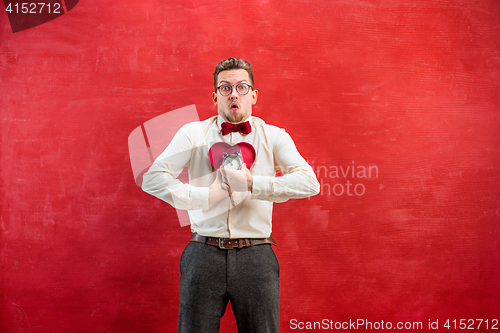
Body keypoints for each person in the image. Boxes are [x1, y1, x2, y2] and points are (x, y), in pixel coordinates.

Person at [142, 57, 320, 333]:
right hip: (202, 254)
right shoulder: (192, 134)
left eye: (242, 87)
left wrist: (253, 183)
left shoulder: (274, 137)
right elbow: (152, 178)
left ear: (254, 95)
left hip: (257, 256)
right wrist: (205, 196)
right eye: (225, 88)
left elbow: (309, 183)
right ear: (215, 96)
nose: (233, 94)